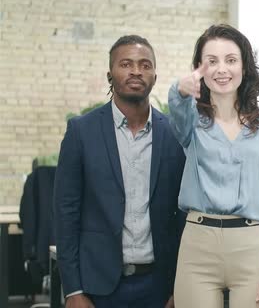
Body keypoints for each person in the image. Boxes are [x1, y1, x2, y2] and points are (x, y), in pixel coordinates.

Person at [53, 35, 186, 308]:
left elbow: (181, 216)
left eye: (145, 64)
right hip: (96, 287)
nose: (136, 70)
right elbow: (65, 214)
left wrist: (179, 286)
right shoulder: (81, 132)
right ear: (110, 74)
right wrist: (73, 290)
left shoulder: (174, 133)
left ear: (155, 76)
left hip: (158, 287)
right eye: (126, 64)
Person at [168, 24, 259, 308]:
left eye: (231, 60)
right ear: (200, 68)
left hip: (253, 246)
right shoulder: (191, 121)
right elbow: (176, 110)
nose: (221, 69)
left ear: (245, 66)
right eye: (211, 61)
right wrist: (179, 89)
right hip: (198, 246)